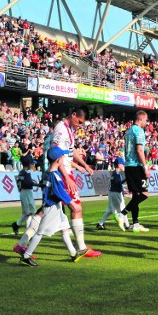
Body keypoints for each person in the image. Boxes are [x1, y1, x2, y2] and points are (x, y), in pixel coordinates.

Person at [48, 106, 101, 259]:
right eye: (79, 121)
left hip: (65, 172)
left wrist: (83, 165)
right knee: (76, 208)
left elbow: (71, 151)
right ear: (73, 115)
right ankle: (82, 248)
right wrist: (67, 176)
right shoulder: (61, 129)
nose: (79, 125)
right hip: (62, 173)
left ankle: (23, 244)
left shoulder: (69, 129)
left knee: (48, 209)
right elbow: (56, 155)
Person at [18, 147, 80, 266]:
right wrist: (72, 203)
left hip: (54, 206)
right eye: (62, 157)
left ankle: (73, 253)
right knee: (40, 232)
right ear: (58, 160)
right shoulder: (55, 175)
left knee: (64, 228)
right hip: (52, 207)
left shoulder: (49, 173)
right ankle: (26, 256)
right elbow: (59, 191)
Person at [117, 111, 150, 232]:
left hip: (129, 166)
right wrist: (145, 167)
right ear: (141, 119)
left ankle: (135, 224)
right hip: (136, 165)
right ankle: (122, 214)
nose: (146, 123)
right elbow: (140, 150)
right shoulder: (139, 131)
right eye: (146, 120)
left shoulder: (129, 131)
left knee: (136, 195)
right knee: (144, 194)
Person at [97, 156, 130, 230]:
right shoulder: (117, 174)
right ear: (119, 165)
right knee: (123, 208)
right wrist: (127, 179)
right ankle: (127, 225)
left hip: (111, 192)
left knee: (109, 210)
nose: (123, 165)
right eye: (122, 164)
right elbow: (118, 183)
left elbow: (115, 183)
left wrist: (123, 189)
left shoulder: (114, 173)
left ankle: (100, 223)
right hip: (116, 193)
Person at [12, 155, 39, 236]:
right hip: (26, 192)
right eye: (31, 163)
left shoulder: (22, 172)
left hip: (25, 192)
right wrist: (39, 184)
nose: (32, 165)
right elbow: (28, 183)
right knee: (29, 212)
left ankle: (19, 225)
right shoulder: (25, 173)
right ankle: (23, 227)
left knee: (28, 212)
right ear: (28, 164)